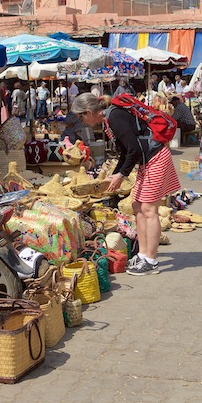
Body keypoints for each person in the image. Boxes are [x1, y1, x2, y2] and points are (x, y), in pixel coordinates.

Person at [72, 92, 181, 276]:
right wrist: (114, 175)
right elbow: (126, 152)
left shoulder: (114, 117)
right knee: (137, 205)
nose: (81, 121)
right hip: (147, 160)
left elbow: (134, 150)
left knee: (149, 209)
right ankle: (143, 254)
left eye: (81, 116)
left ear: (89, 111)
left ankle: (151, 260)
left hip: (156, 158)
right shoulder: (109, 119)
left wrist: (121, 175)